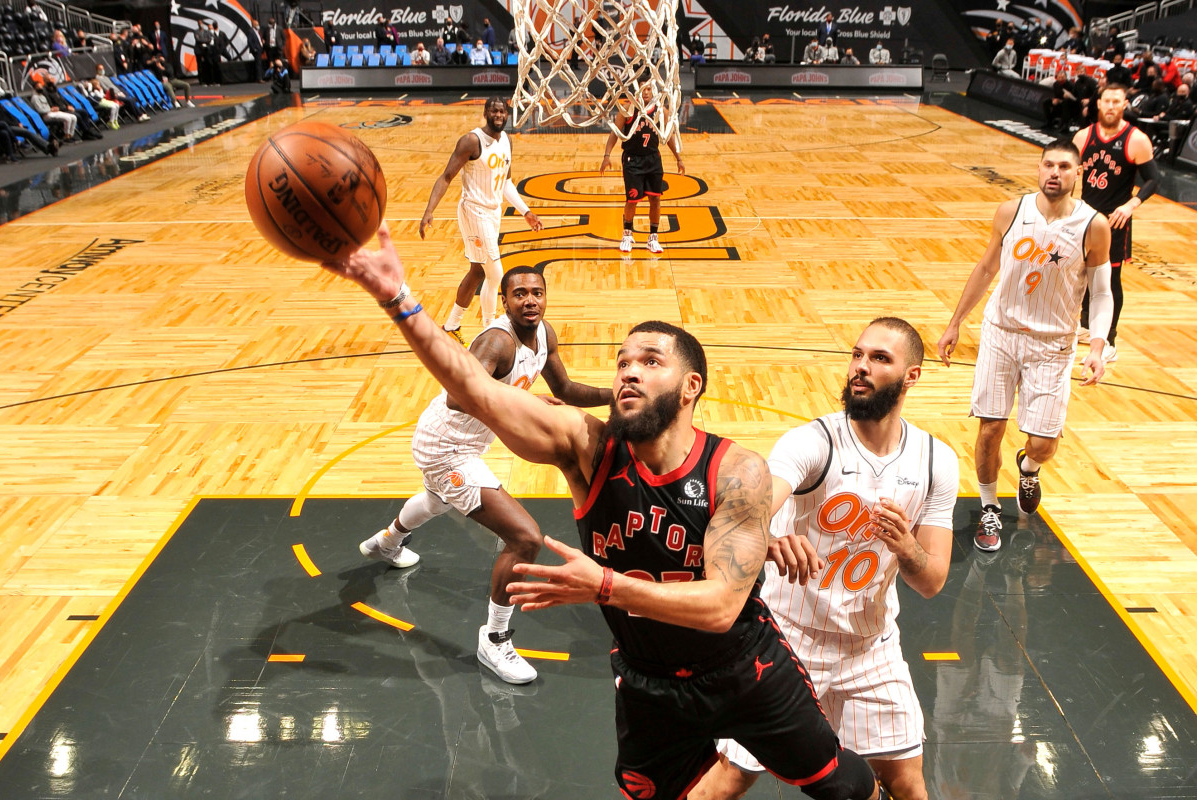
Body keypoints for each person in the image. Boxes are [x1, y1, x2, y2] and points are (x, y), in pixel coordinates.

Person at [320, 230, 892, 800]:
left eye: (650, 361)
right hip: (648, 680)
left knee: (842, 787)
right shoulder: (587, 449)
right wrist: (399, 299)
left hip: (745, 670)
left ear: (691, 386)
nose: (628, 371)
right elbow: (472, 387)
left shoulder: (734, 470)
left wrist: (604, 584)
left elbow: (719, 607)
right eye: (621, 362)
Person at [689, 318, 959, 800]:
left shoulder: (936, 461)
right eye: (857, 355)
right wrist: (767, 538)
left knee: (907, 784)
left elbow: (933, 579)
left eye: (879, 359)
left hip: (870, 646)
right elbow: (750, 510)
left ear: (911, 376)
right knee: (729, 778)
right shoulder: (813, 443)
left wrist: (907, 547)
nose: (860, 367)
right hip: (788, 640)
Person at [359, 267, 612, 684]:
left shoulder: (544, 334)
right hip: (446, 447)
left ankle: (388, 542)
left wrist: (616, 398)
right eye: (519, 294)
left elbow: (566, 390)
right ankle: (494, 639)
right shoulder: (496, 342)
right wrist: (524, 403)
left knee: (438, 499)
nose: (530, 300)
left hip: (466, 444)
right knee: (524, 537)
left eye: (537, 293)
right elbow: (461, 396)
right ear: (504, 300)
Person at [937, 140, 1113, 553]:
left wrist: (1098, 345)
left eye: (1064, 166)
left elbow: (1102, 293)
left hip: (1053, 344)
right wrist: (954, 322)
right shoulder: (1011, 211)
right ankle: (988, 507)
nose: (1055, 172)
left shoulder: (1094, 225)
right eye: (1048, 164)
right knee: (991, 427)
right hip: (1001, 332)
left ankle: (1029, 467)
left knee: (1043, 441)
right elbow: (985, 268)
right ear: (1038, 168)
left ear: (1078, 172)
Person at [418, 98, 543, 346]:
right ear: (486, 113)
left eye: (502, 111)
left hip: (493, 212)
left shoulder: (506, 140)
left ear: (507, 114)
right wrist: (429, 210)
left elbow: (506, 183)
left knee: (477, 271)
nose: (499, 114)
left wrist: (526, 211)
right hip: (474, 211)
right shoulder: (471, 141)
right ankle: (491, 329)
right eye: (494, 110)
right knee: (495, 272)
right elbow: (446, 176)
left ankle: (452, 325)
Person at [1073, 83, 1159, 363]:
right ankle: (1086, 325)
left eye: (1116, 101)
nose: (1110, 106)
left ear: (1124, 105)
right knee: (1080, 275)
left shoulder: (1136, 139)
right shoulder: (1083, 137)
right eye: (1106, 101)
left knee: (1109, 281)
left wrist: (1131, 205)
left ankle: (1109, 339)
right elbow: (1071, 173)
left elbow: (1154, 179)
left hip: (1114, 223)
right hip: (1084, 219)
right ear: (1098, 104)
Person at [600, 83, 685, 254]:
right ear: (636, 91)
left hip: (653, 160)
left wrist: (678, 158)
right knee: (632, 200)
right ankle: (627, 234)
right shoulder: (628, 109)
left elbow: (668, 136)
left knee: (655, 200)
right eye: (642, 89)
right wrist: (607, 156)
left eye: (648, 89)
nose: (646, 93)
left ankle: (653, 238)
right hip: (633, 160)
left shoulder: (661, 111)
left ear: (653, 91)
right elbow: (615, 133)